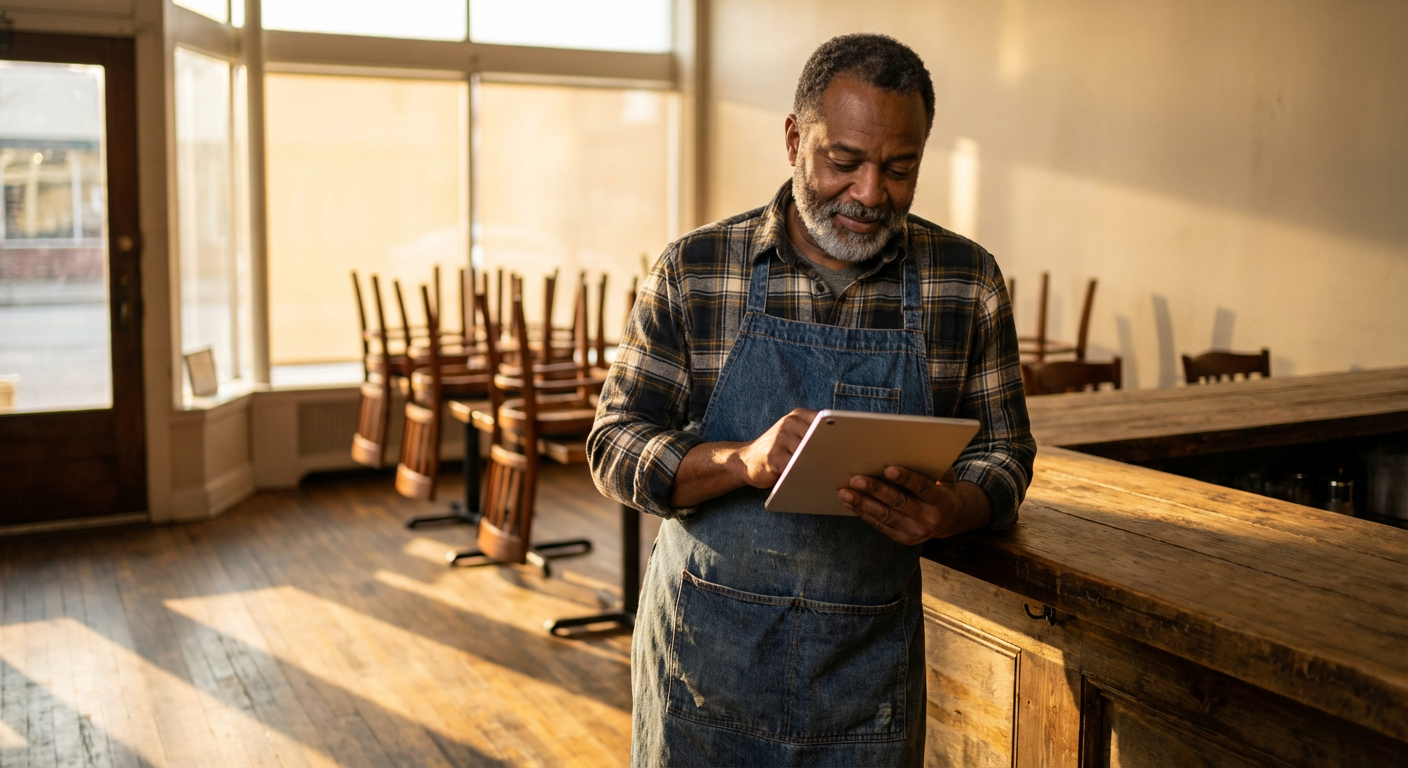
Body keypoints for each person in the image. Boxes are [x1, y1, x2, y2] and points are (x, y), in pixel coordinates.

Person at [588, 33, 1035, 767]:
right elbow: (612, 445)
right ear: (795, 138)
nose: (869, 194)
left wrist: (956, 507)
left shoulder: (965, 282)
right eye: (845, 162)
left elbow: (1006, 453)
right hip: (703, 670)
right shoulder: (695, 270)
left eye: (899, 168)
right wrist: (739, 460)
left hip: (866, 679)